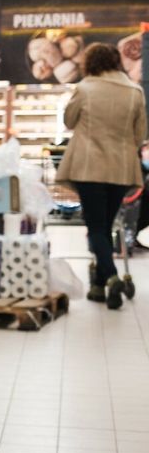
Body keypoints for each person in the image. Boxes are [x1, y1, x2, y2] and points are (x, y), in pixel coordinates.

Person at [58, 41, 147, 309]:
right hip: (120, 169)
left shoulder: (85, 89)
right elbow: (140, 134)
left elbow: (68, 121)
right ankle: (98, 286)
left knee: (95, 227)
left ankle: (110, 276)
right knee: (106, 226)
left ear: (90, 64)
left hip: (89, 168)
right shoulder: (134, 91)